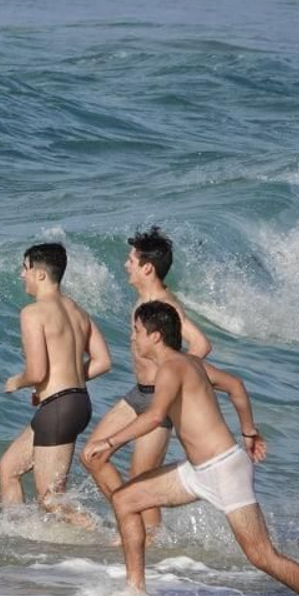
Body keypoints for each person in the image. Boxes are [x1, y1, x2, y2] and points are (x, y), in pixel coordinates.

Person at [82, 302, 299, 596]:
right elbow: (235, 385)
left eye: (137, 331)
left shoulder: (172, 367)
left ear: (155, 336)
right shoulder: (189, 362)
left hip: (224, 470)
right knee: (125, 500)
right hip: (197, 471)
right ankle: (135, 591)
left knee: (262, 557)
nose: (133, 338)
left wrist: (110, 441)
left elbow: (154, 416)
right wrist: (248, 431)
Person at [82, 227, 211, 538]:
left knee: (141, 476)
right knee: (92, 455)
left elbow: (201, 345)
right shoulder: (144, 300)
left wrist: (177, 380)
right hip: (137, 394)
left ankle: (147, 537)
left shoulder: (164, 304)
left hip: (159, 401)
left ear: (146, 267)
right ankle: (132, 522)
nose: (126, 265)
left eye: (131, 260)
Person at [0, 242, 111, 526]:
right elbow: (103, 361)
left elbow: (36, 372)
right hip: (74, 403)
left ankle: (100, 535)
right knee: (7, 468)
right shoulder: (77, 310)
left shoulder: (32, 313)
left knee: (51, 501)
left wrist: (16, 382)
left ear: (40, 274)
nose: (22, 275)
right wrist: (64, 383)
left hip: (60, 407)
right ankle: (16, 534)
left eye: (25, 269)